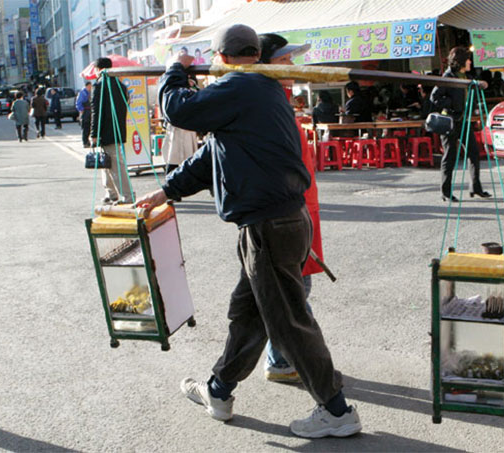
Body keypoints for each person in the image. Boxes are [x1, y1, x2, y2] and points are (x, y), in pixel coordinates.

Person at [134, 24, 361, 439]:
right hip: (274, 224)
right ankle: (219, 391)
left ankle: (336, 410)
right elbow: (210, 159)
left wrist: (175, 69)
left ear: (220, 58)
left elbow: (178, 111)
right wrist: (165, 191)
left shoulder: (244, 85)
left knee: (289, 322)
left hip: (269, 226)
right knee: (249, 314)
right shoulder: (256, 94)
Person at [257, 32, 327, 384]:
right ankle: (308, 370)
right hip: (286, 214)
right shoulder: (265, 103)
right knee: (293, 295)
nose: (292, 65)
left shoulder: (278, 99)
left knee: (289, 292)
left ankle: (281, 358)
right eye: (284, 60)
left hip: (301, 211)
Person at [431, 46, 491, 202]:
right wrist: (451, 103)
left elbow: (472, 88)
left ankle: (475, 188)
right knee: (449, 157)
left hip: (464, 121)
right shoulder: (447, 77)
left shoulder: (465, 76)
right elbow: (434, 97)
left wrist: (480, 84)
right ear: (461, 61)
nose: (470, 62)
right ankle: (445, 192)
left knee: (474, 153)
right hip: (450, 122)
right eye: (468, 59)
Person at [90, 57, 133, 204]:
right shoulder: (121, 85)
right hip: (119, 128)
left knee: (115, 165)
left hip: (105, 131)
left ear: (98, 69)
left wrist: (93, 134)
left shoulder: (99, 85)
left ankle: (127, 196)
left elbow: (96, 111)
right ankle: (111, 193)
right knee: (106, 162)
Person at [76, 81, 92, 148]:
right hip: (85, 112)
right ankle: (85, 142)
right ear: (87, 86)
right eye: (90, 86)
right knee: (85, 127)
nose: (91, 87)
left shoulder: (89, 92)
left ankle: (87, 141)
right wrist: (81, 110)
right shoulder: (82, 93)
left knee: (88, 127)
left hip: (89, 111)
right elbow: (78, 103)